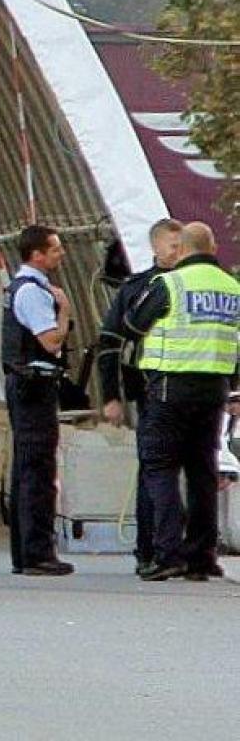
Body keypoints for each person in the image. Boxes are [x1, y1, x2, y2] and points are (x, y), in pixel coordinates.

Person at [124, 221, 240, 582]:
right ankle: (202, 556)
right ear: (214, 249)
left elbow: (132, 324)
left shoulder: (169, 284)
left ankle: (167, 553)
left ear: (184, 250)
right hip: (213, 391)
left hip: (169, 388)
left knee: (160, 469)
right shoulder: (232, 288)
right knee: (202, 472)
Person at [98, 218, 182, 576]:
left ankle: (182, 548)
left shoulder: (191, 286)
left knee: (178, 470)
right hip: (149, 391)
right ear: (155, 248)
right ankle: (149, 548)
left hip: (188, 392)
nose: (179, 253)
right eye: (173, 246)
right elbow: (110, 344)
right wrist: (112, 396)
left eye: (183, 246)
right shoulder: (137, 289)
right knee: (154, 470)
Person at [2, 224, 75, 576]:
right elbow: (51, 342)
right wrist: (64, 313)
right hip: (34, 386)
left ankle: (25, 551)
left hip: (24, 385)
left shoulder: (22, 286)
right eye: (56, 249)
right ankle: (38, 553)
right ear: (37, 255)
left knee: (27, 468)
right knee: (38, 471)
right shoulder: (32, 292)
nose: (61, 254)